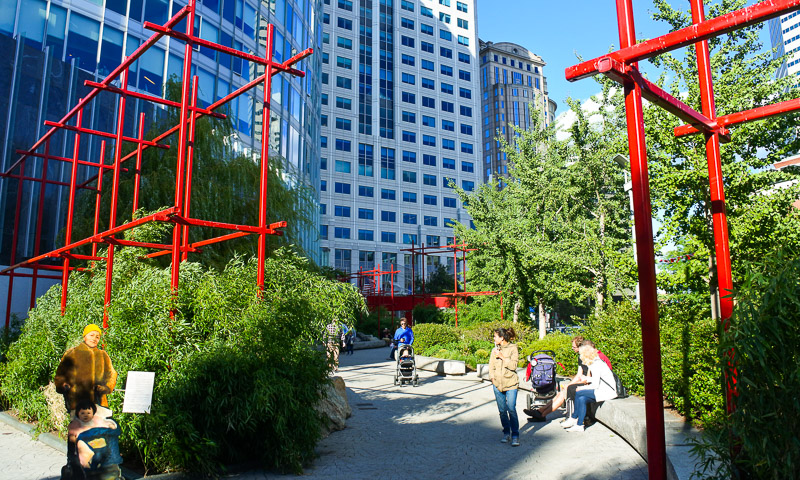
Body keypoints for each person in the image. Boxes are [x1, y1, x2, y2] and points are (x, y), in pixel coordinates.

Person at [55, 324, 118, 414]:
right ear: (85, 336)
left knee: (98, 427)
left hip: (98, 403)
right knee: (79, 427)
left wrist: (106, 387)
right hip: (76, 402)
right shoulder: (72, 353)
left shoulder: (103, 355)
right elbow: (61, 374)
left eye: (97, 337)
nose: (94, 339)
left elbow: (112, 374)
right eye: (91, 335)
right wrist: (64, 386)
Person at [523, 335, 587, 421]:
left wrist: (570, 385)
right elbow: (579, 374)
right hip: (581, 381)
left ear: (580, 347)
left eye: (574, 347)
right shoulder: (580, 357)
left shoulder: (587, 357)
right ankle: (540, 411)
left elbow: (584, 376)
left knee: (562, 395)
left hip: (586, 382)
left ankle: (542, 415)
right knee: (560, 393)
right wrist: (570, 384)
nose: (572, 348)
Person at [563, 344, 618, 432]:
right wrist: (587, 379)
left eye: (581, 354)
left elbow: (595, 385)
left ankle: (574, 418)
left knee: (579, 392)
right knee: (582, 398)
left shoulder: (596, 364)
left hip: (607, 391)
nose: (580, 357)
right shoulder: (595, 362)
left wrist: (582, 388)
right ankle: (579, 424)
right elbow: (597, 379)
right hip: (603, 389)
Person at [68, 400, 123, 478]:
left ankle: (109, 468)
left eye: (88, 413)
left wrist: (110, 425)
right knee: (82, 447)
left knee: (108, 447)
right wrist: (73, 438)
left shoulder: (97, 420)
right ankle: (88, 465)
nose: (85, 415)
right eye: (82, 413)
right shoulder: (77, 424)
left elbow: (105, 423)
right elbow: (72, 433)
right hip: (86, 442)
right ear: (78, 414)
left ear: (93, 413)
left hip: (99, 441)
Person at [489, 327, 520, 447]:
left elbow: (513, 366)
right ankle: (506, 432)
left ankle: (515, 435)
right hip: (497, 384)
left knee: (511, 408)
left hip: (511, 383)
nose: (494, 338)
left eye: (495, 336)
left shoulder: (513, 348)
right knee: (502, 411)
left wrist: (502, 356)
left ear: (502, 338)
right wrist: (492, 378)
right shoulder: (494, 350)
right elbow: (491, 366)